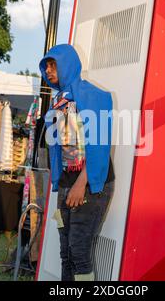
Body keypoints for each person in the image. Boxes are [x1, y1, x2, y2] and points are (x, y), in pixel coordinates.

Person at [40, 44, 114, 281]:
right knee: (66, 253)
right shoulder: (57, 102)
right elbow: (58, 149)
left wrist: (82, 183)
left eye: (53, 65)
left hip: (91, 182)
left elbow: (100, 145)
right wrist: (59, 184)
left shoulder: (94, 95)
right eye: (47, 67)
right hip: (66, 182)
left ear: (67, 64)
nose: (49, 71)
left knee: (79, 252)